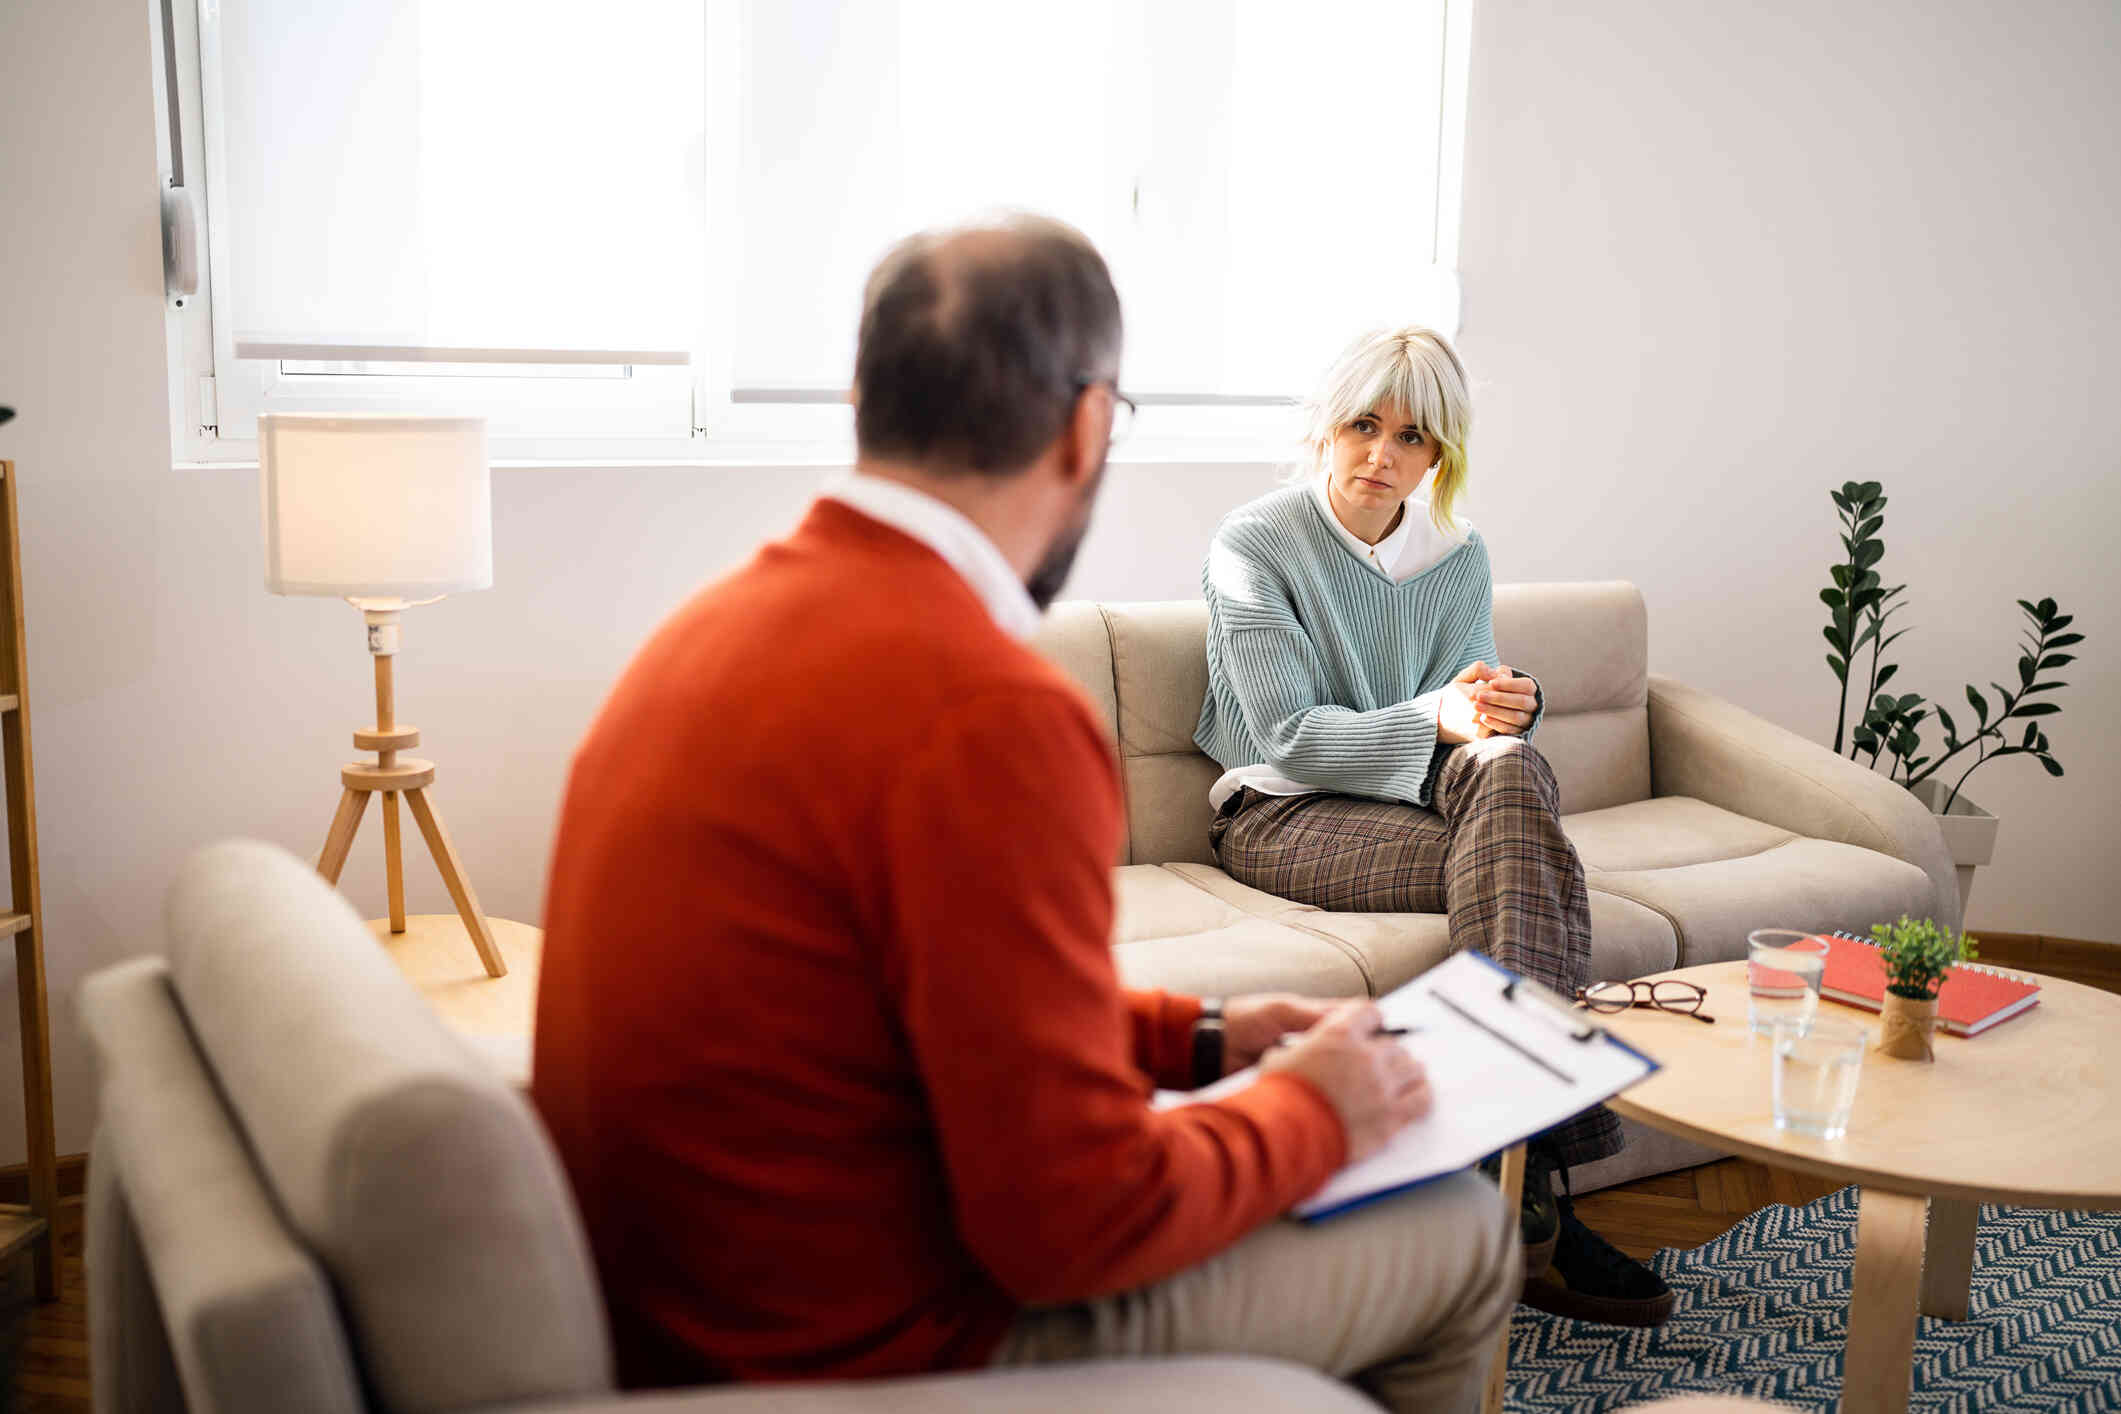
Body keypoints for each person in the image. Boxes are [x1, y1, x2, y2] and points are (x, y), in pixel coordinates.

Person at [531, 217, 1519, 1412]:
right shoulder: (990, 714)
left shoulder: (698, 635)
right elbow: (1074, 1223)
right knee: (1463, 1227)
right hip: (866, 1345)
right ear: (1088, 426)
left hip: (678, 1314)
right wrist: (1313, 1108)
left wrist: (1199, 1037)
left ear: (863, 397)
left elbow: (927, 1000)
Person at [1193, 325, 1676, 1328]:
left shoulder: (1458, 554)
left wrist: (1504, 706)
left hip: (1425, 802)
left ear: (1439, 455)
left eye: (1412, 437)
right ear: (1326, 429)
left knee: (1511, 775)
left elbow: (1469, 709)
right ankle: (1540, 1185)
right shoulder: (1254, 543)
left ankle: (1511, 1177)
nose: (1383, 454)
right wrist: (1438, 720)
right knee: (1521, 825)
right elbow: (1286, 735)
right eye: (1364, 425)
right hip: (1282, 811)